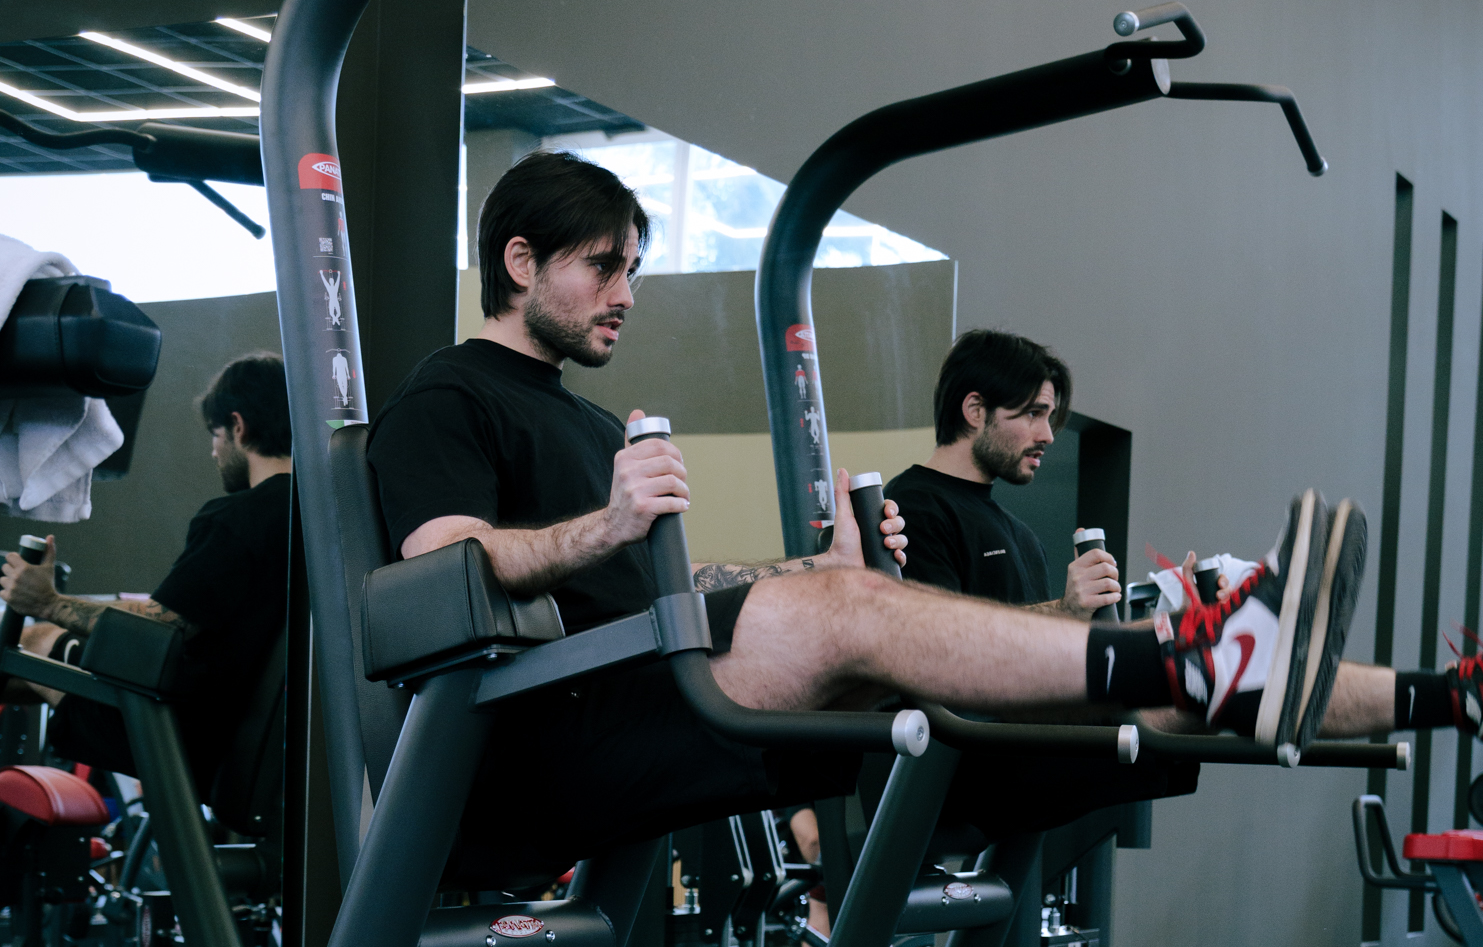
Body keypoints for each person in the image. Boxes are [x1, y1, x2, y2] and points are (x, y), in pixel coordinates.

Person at [365, 151, 1371, 890]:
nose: (627, 294)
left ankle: (1349, 689)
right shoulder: (449, 396)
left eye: (633, 269)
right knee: (856, 614)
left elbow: (676, 583)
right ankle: (1193, 659)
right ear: (520, 261)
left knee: (908, 630)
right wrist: (610, 524)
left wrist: (811, 567)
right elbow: (442, 569)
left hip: (650, 693)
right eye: (603, 267)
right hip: (543, 742)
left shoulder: (588, 423)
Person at [887, 327, 1483, 768]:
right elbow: (934, 655)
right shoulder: (914, 504)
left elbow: (1032, 643)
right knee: (1222, 669)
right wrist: (1066, 611)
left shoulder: (1015, 531)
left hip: (1049, 718)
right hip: (973, 747)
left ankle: (1474, 698)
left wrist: (1165, 613)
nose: (1047, 434)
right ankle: (1473, 698)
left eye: (1051, 416)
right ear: (974, 410)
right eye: (1033, 415)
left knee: (1243, 668)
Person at [0, 351, 293, 799]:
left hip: (178, 731)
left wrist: (47, 602)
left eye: (215, 435)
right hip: (245, 733)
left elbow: (160, 628)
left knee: (36, 641)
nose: (214, 451)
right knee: (26, 673)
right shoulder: (316, 512)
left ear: (238, 426)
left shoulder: (240, 518)